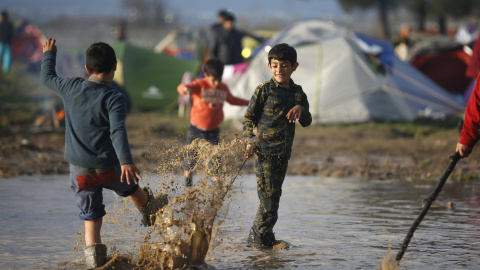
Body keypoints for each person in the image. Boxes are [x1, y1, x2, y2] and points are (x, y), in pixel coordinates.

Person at [41, 39, 168, 269]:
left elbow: (47, 78)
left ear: (87, 69)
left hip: (80, 171)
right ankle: (150, 211)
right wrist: (126, 161)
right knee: (130, 186)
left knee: (92, 219)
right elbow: (117, 130)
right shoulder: (114, 98)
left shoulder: (70, 87)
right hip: (108, 168)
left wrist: (49, 54)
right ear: (115, 67)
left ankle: (95, 264)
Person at [243, 43, 312, 248]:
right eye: (275, 65)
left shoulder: (298, 93)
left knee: (273, 198)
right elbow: (248, 117)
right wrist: (250, 140)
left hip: (283, 154)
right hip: (265, 153)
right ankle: (259, 242)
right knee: (268, 201)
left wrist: (300, 108)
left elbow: (307, 121)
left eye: (284, 65)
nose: (279, 70)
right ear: (269, 66)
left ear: (294, 67)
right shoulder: (264, 89)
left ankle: (261, 238)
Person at [177, 58, 249, 186]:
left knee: (215, 158)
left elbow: (232, 100)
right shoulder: (200, 84)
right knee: (191, 157)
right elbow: (181, 87)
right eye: (213, 80)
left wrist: (248, 103)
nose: (216, 83)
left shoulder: (223, 88)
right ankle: (188, 181)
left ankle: (217, 184)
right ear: (206, 76)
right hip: (195, 129)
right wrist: (185, 90)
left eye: (219, 79)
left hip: (213, 131)